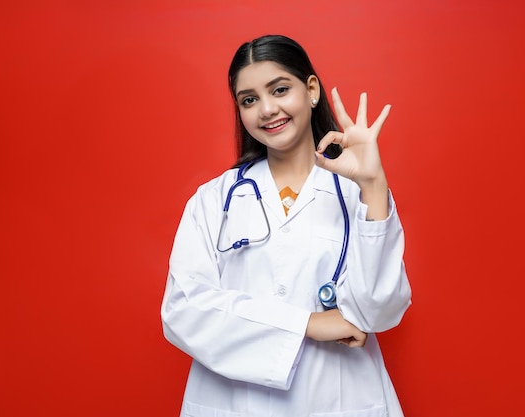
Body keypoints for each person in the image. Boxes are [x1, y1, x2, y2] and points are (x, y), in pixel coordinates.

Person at [161, 34, 412, 417]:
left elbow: (379, 312)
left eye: (280, 89)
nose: (266, 109)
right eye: (249, 100)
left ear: (311, 90)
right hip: (233, 402)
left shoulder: (355, 192)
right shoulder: (214, 200)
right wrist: (307, 324)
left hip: (340, 398)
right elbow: (183, 309)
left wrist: (374, 185)